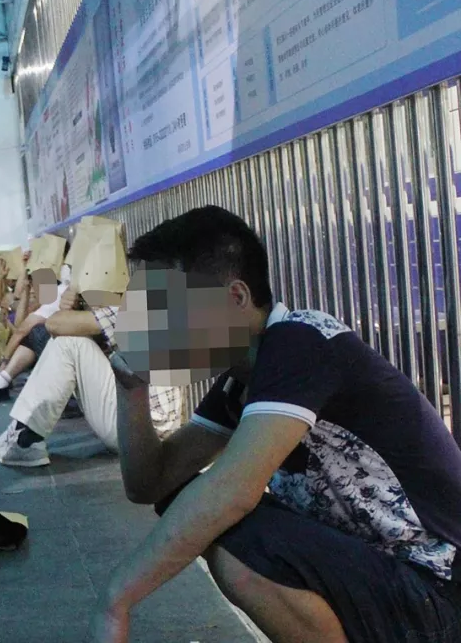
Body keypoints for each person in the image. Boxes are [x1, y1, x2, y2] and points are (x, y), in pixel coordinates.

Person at [90, 205, 461, 643]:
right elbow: (150, 484)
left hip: (436, 586)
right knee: (191, 505)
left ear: (235, 298)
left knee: (239, 536)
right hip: (390, 577)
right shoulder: (243, 380)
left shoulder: (301, 341)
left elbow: (232, 492)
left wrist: (117, 599)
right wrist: (132, 388)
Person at [0, 285, 182, 467]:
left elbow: (54, 324)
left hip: (143, 435)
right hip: (143, 425)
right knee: (73, 342)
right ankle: (21, 431)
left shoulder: (141, 308)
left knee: (69, 342)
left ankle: (25, 438)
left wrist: (73, 304)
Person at [0, 261, 68, 403]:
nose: (32, 289)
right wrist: (23, 289)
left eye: (32, 284)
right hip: (48, 344)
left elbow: (20, 329)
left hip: (61, 347)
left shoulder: (54, 295)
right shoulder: (41, 295)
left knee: (33, 333)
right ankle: (0, 381)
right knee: (27, 332)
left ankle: (0, 378)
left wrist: (3, 362)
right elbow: (8, 309)